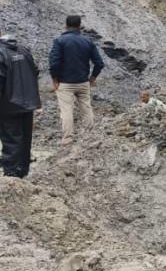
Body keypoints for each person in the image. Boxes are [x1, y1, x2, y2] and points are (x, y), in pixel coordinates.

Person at [49, 15, 105, 145]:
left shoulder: (59, 41)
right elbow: (99, 63)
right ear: (80, 26)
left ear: (66, 25)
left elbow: (54, 63)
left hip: (65, 83)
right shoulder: (88, 42)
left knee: (66, 110)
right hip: (83, 82)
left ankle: (68, 138)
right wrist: (92, 78)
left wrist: (55, 78)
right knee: (86, 107)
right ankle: (90, 136)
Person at [0, 33, 41, 178]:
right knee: (25, 138)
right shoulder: (23, 50)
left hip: (8, 105)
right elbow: (35, 71)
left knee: (12, 139)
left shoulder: (1, 53)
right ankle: (23, 171)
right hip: (27, 102)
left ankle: (11, 174)